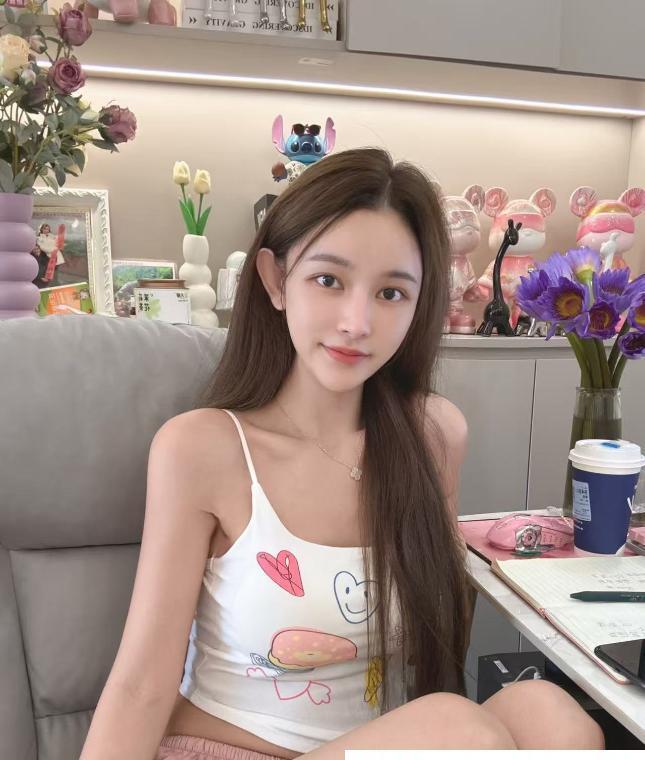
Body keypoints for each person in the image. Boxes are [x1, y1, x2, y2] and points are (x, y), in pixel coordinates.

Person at [79, 148, 604, 760]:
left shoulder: (433, 438)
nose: (357, 322)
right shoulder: (202, 448)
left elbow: (432, 647)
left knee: (552, 718)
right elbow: (140, 686)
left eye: (391, 293)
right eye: (328, 280)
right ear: (276, 281)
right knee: (459, 729)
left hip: (381, 744)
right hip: (224, 746)